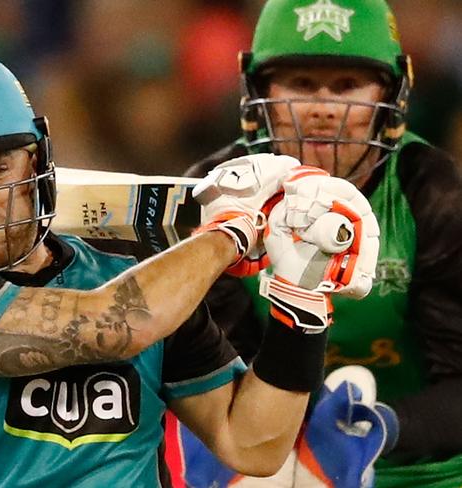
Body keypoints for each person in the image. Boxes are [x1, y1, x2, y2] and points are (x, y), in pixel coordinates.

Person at [0, 53, 378, 487]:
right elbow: (118, 325)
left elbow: (252, 447)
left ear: (35, 162)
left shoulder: (133, 272)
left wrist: (302, 301)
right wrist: (233, 229)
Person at [176, 0, 462, 487]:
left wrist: (381, 430)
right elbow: (213, 373)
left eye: (348, 85)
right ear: (259, 91)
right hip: (262, 452)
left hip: (421, 471)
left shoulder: (436, 193)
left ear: (390, 94)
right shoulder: (211, 193)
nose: (323, 109)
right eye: (301, 84)